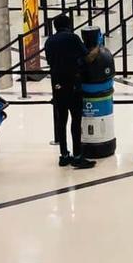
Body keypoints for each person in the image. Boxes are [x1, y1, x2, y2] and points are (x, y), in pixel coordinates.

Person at [44, 14, 97, 170]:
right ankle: (78, 156)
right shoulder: (72, 38)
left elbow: (49, 61)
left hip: (57, 85)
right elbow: (88, 58)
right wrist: (97, 48)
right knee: (76, 120)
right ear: (69, 24)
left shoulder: (49, 41)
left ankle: (64, 155)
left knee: (61, 121)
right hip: (73, 84)